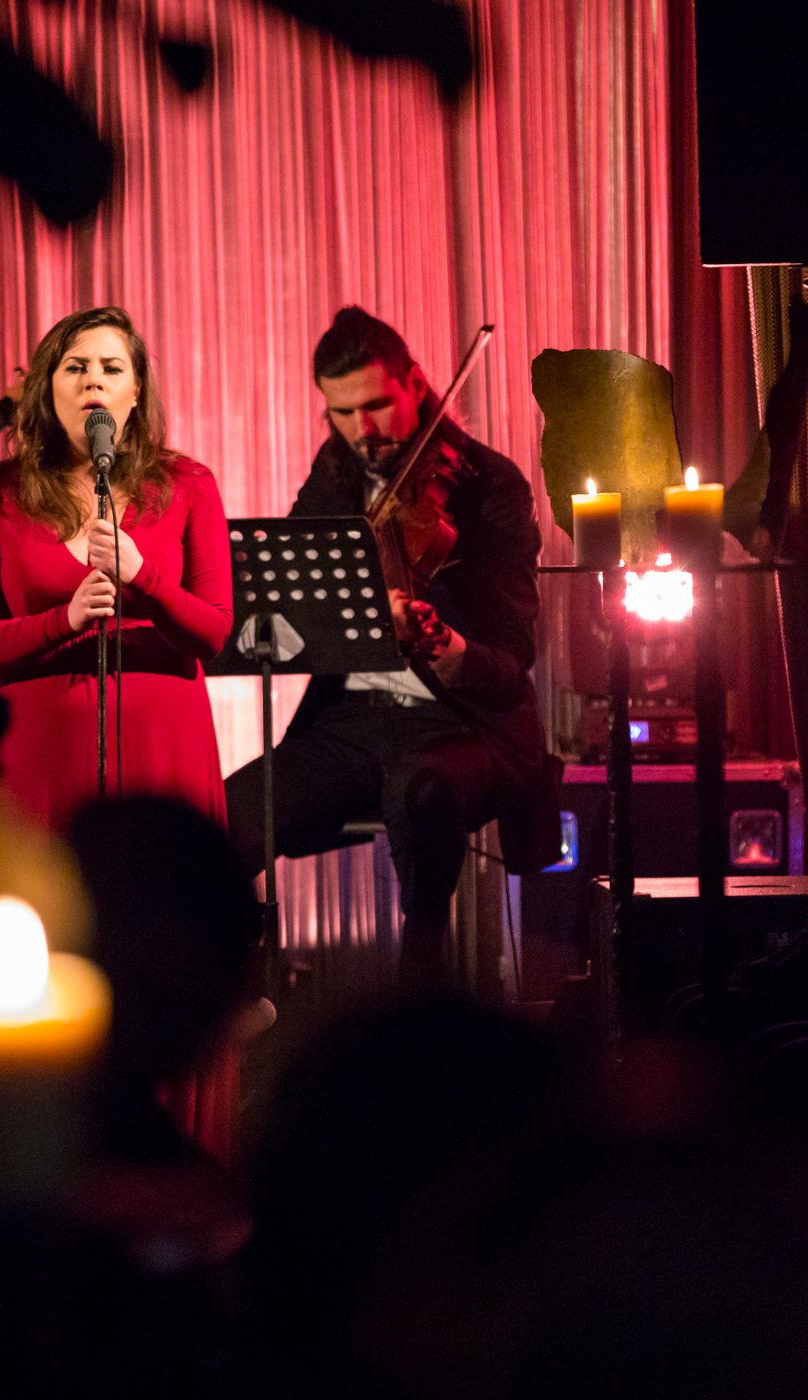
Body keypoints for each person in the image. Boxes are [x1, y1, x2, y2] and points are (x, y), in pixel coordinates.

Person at [223, 307, 549, 986]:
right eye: (341, 413)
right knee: (229, 814)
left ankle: (419, 989)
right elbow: (297, 592)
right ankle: (230, 988)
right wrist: (343, 618)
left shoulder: (489, 486)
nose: (361, 431)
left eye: (376, 406)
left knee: (422, 793)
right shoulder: (335, 472)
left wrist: (441, 642)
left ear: (418, 386)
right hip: (351, 723)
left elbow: (513, 659)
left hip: (461, 722)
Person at [0, 306, 232, 830]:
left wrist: (143, 577)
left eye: (112, 368)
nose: (93, 381)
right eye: (75, 367)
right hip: (42, 748)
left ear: (136, 391)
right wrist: (64, 620)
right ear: (47, 387)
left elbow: (213, 633)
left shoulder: (189, 483)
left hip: (164, 747)